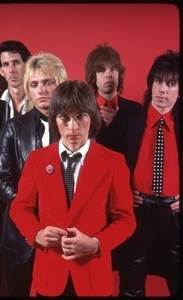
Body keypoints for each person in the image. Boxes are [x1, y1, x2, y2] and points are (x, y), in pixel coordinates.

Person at [9, 79, 136, 297]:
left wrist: (96, 244)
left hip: (93, 279)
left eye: (80, 116)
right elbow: (19, 208)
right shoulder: (37, 160)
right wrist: (36, 233)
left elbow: (126, 220)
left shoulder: (114, 162)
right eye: (64, 118)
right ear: (54, 119)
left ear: (92, 117)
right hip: (49, 278)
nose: (72, 127)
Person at [0, 52, 68, 296]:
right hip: (19, 234)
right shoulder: (14, 128)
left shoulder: (79, 125)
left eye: (48, 82)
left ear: (61, 83)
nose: (41, 90)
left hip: (63, 234)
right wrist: (29, 208)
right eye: (34, 85)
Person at [110, 50, 180, 297]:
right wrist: (123, 193)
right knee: (131, 282)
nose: (162, 89)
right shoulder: (129, 118)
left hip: (174, 215)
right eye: (158, 81)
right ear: (151, 83)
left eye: (171, 83)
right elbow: (107, 163)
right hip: (138, 212)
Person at [0, 40, 31, 291]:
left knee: (26, 255)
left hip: (32, 185)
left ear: (26, 64)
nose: (11, 70)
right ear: (0, 71)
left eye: (16, 63)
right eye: (5, 65)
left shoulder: (42, 101)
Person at [84, 43, 141, 148]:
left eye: (113, 69)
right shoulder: (84, 110)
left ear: (119, 73)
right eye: (102, 70)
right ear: (93, 76)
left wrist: (119, 121)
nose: (108, 75)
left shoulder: (136, 110)